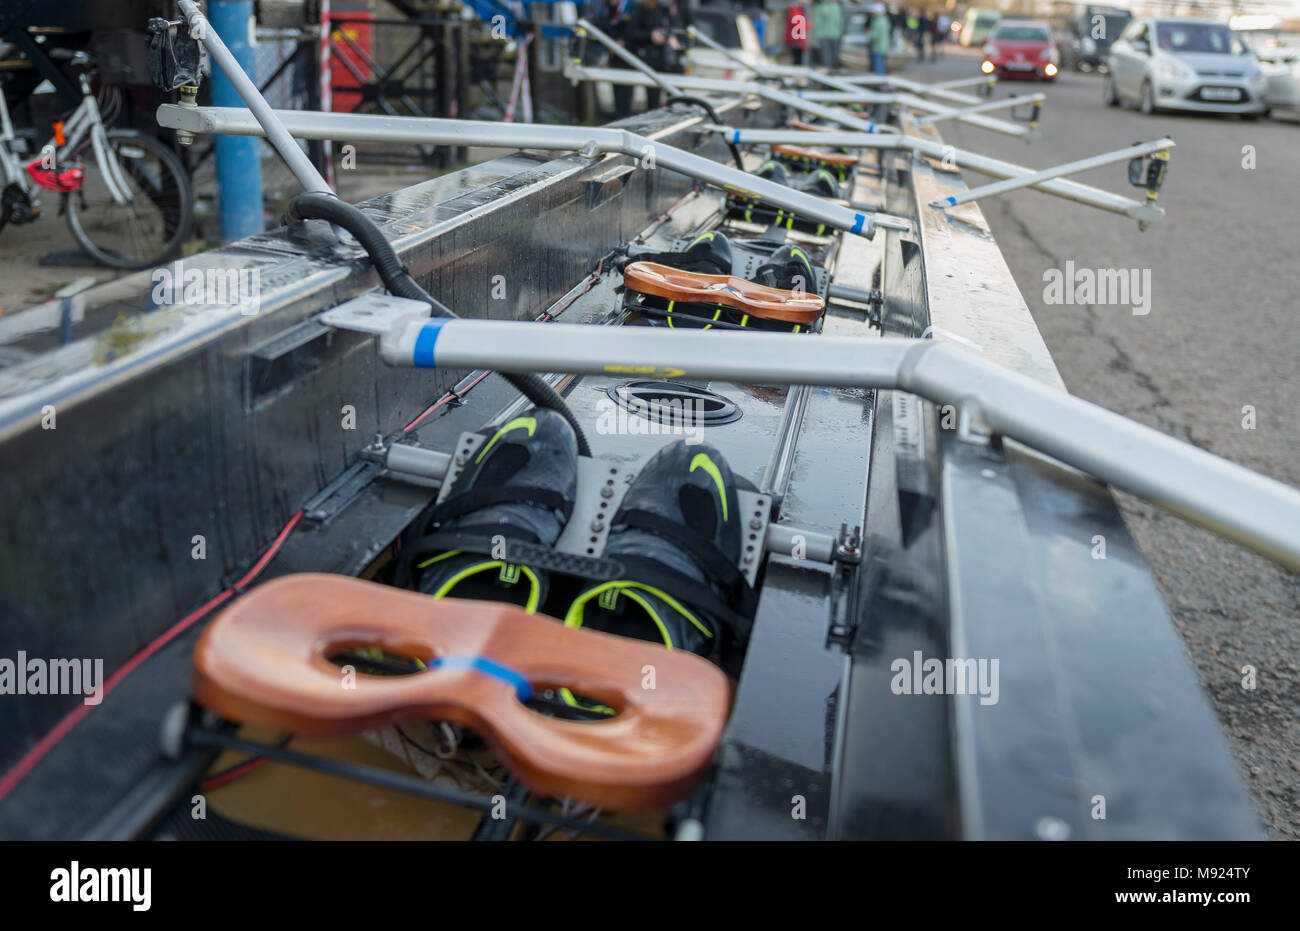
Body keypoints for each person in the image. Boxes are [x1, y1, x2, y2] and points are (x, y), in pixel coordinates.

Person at [625, 0, 680, 110]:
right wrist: (651, 35)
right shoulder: (641, 8)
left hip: (668, 60)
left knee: (674, 99)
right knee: (653, 100)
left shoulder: (669, 8)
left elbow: (677, 28)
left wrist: (671, 37)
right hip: (651, 60)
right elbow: (631, 32)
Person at [597, 0, 634, 118]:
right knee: (617, 91)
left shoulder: (630, 6)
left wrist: (624, 42)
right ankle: (620, 115)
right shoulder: (607, 8)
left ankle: (625, 118)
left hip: (628, 56)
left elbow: (633, 29)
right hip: (614, 55)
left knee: (626, 93)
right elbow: (604, 26)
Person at [812, 0, 844, 69]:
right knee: (826, 56)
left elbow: (840, 21)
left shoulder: (837, 7)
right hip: (824, 35)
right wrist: (818, 34)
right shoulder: (821, 7)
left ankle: (834, 71)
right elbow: (818, 21)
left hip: (836, 35)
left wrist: (841, 33)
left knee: (835, 56)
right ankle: (827, 71)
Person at [784, 2, 810, 66]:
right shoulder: (795, 11)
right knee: (797, 58)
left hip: (797, 39)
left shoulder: (798, 11)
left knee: (798, 58)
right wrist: (807, 25)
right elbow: (798, 24)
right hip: (795, 39)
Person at [869, 3, 891, 76]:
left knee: (878, 67)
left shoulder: (878, 22)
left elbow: (874, 36)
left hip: (877, 47)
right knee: (881, 65)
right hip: (883, 46)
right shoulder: (885, 20)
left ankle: (880, 83)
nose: (871, 14)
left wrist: (868, 36)